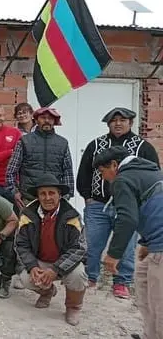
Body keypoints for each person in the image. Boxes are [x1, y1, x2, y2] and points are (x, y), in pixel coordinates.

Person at [76, 107, 159, 299]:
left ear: (130, 123)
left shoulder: (142, 147)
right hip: (98, 204)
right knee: (93, 243)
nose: (118, 123)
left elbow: (153, 172)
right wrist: (87, 196)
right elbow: (84, 173)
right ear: (108, 124)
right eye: (114, 120)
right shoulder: (96, 145)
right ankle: (90, 276)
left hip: (130, 204)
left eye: (123, 120)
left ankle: (122, 281)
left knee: (128, 244)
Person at [94, 146, 163, 339]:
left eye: (102, 172)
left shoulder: (122, 179)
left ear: (114, 165)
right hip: (155, 242)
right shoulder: (148, 172)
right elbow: (154, 207)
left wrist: (113, 254)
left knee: (159, 303)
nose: (103, 178)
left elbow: (127, 219)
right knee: (143, 288)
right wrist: (147, 243)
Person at [15, 174, 87, 326]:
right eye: (43, 193)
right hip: (41, 261)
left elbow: (79, 248)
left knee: (78, 275)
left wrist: (56, 269)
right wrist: (32, 266)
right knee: (25, 278)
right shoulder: (27, 215)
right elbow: (21, 244)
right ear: (38, 196)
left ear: (59, 195)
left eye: (52, 193)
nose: (47, 198)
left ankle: (73, 307)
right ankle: (47, 292)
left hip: (64, 262)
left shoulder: (71, 216)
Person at [6, 107, 74, 208]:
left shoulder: (62, 143)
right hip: (28, 198)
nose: (47, 121)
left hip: (54, 199)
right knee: (27, 224)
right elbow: (11, 170)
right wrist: (14, 192)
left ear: (54, 121)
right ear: (37, 120)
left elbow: (67, 172)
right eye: (43, 118)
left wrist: (66, 196)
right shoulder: (24, 141)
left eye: (50, 118)